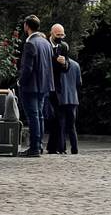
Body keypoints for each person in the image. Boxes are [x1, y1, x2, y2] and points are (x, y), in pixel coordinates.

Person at [19, 14, 54, 157]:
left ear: (27, 26)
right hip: (44, 85)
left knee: (33, 116)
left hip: (31, 85)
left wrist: (20, 81)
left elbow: (28, 68)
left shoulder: (30, 43)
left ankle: (34, 147)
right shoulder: (46, 43)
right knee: (39, 115)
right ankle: (38, 145)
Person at [46, 24, 70, 155]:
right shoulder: (45, 44)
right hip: (45, 84)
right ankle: (49, 145)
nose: (60, 38)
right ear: (52, 33)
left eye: (62, 35)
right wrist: (55, 60)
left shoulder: (64, 47)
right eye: (58, 35)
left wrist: (64, 63)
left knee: (60, 116)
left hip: (57, 86)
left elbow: (67, 68)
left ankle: (59, 147)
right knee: (48, 116)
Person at [58, 49, 83, 155]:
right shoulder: (76, 65)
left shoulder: (58, 66)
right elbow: (79, 82)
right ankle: (74, 148)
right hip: (73, 98)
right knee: (72, 126)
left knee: (61, 125)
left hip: (61, 98)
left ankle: (62, 148)